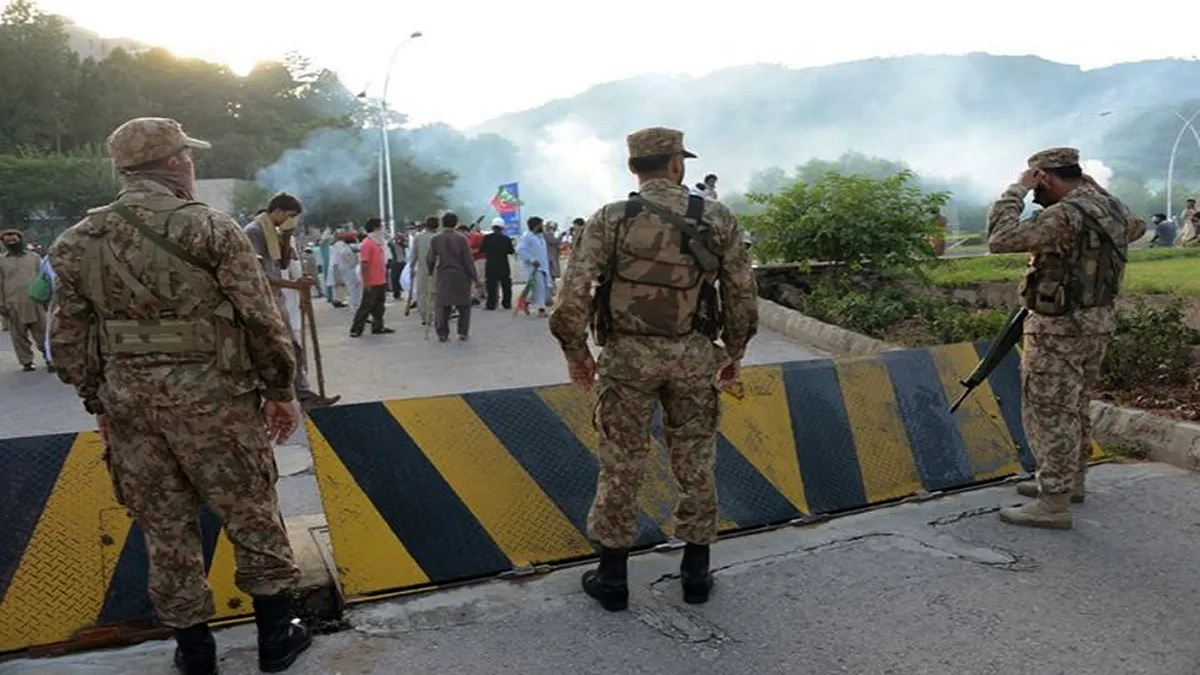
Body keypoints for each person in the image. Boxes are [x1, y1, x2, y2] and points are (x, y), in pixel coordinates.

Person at [48, 117, 312, 674]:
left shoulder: (77, 241)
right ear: (173, 163)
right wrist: (280, 388)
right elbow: (261, 319)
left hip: (130, 409)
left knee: (164, 527)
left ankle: (194, 652)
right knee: (250, 510)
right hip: (215, 402)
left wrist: (100, 402)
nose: (191, 164)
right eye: (187, 157)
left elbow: (66, 342)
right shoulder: (212, 230)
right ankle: (276, 638)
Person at [548, 126, 758, 611]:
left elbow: (572, 293)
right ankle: (696, 575)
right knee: (696, 460)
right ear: (677, 165)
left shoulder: (610, 219)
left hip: (626, 361)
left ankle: (613, 580)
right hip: (692, 356)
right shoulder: (717, 217)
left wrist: (576, 353)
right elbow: (742, 293)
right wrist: (735, 350)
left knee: (622, 462)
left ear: (633, 169)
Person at [987, 147, 1145, 530]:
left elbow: (999, 237)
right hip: (1098, 323)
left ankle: (1053, 504)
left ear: (1045, 178)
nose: (1036, 196)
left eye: (1037, 185)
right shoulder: (1109, 207)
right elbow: (1136, 227)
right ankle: (1070, 482)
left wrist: (1016, 190)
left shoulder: (1064, 216)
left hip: (1058, 328)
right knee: (1074, 405)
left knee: (1049, 412)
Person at [244, 194, 340, 410]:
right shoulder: (255, 233)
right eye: (290, 216)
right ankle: (297, 395)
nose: (292, 220)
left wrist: (286, 236)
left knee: (290, 348)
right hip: (263, 301)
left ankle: (301, 394)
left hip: (276, 298)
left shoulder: (274, 232)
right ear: (277, 212)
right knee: (285, 349)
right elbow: (256, 275)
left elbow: (283, 262)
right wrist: (294, 286)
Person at [0, 228, 51, 372]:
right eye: (8, 240)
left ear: (20, 240)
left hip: (35, 302)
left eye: (14, 239)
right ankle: (27, 362)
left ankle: (49, 358)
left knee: (42, 333)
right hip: (13, 304)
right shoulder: (1, 261)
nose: (11, 242)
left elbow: (44, 279)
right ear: (3, 243)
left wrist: (47, 299)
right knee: (18, 335)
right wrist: (1, 304)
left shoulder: (34, 257)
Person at [427, 212, 478, 341]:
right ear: (456, 223)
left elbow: (430, 259)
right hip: (461, 274)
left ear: (442, 223)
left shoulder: (436, 239)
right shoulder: (461, 239)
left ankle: (442, 333)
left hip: (444, 274)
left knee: (443, 305)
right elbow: (468, 260)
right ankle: (462, 332)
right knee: (464, 305)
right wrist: (475, 278)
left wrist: (430, 271)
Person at [349, 217, 395, 337]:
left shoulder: (377, 243)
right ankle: (356, 328)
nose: (382, 229)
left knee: (379, 306)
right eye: (381, 226)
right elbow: (364, 263)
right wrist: (366, 281)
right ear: (375, 228)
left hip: (380, 279)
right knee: (366, 306)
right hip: (372, 281)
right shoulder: (367, 243)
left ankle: (378, 326)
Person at [516, 217, 552, 316]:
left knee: (542, 288)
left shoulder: (540, 237)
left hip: (543, 266)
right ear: (536, 225)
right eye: (541, 224)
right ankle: (541, 310)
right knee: (539, 288)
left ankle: (527, 301)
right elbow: (520, 250)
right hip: (534, 267)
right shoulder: (527, 237)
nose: (543, 226)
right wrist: (532, 260)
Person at [480, 218, 515, 310]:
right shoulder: (506, 239)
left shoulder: (486, 238)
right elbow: (511, 251)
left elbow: (482, 249)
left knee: (491, 285)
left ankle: (491, 304)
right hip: (503, 264)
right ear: (502, 228)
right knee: (506, 285)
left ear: (492, 227)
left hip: (491, 265)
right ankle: (506, 303)